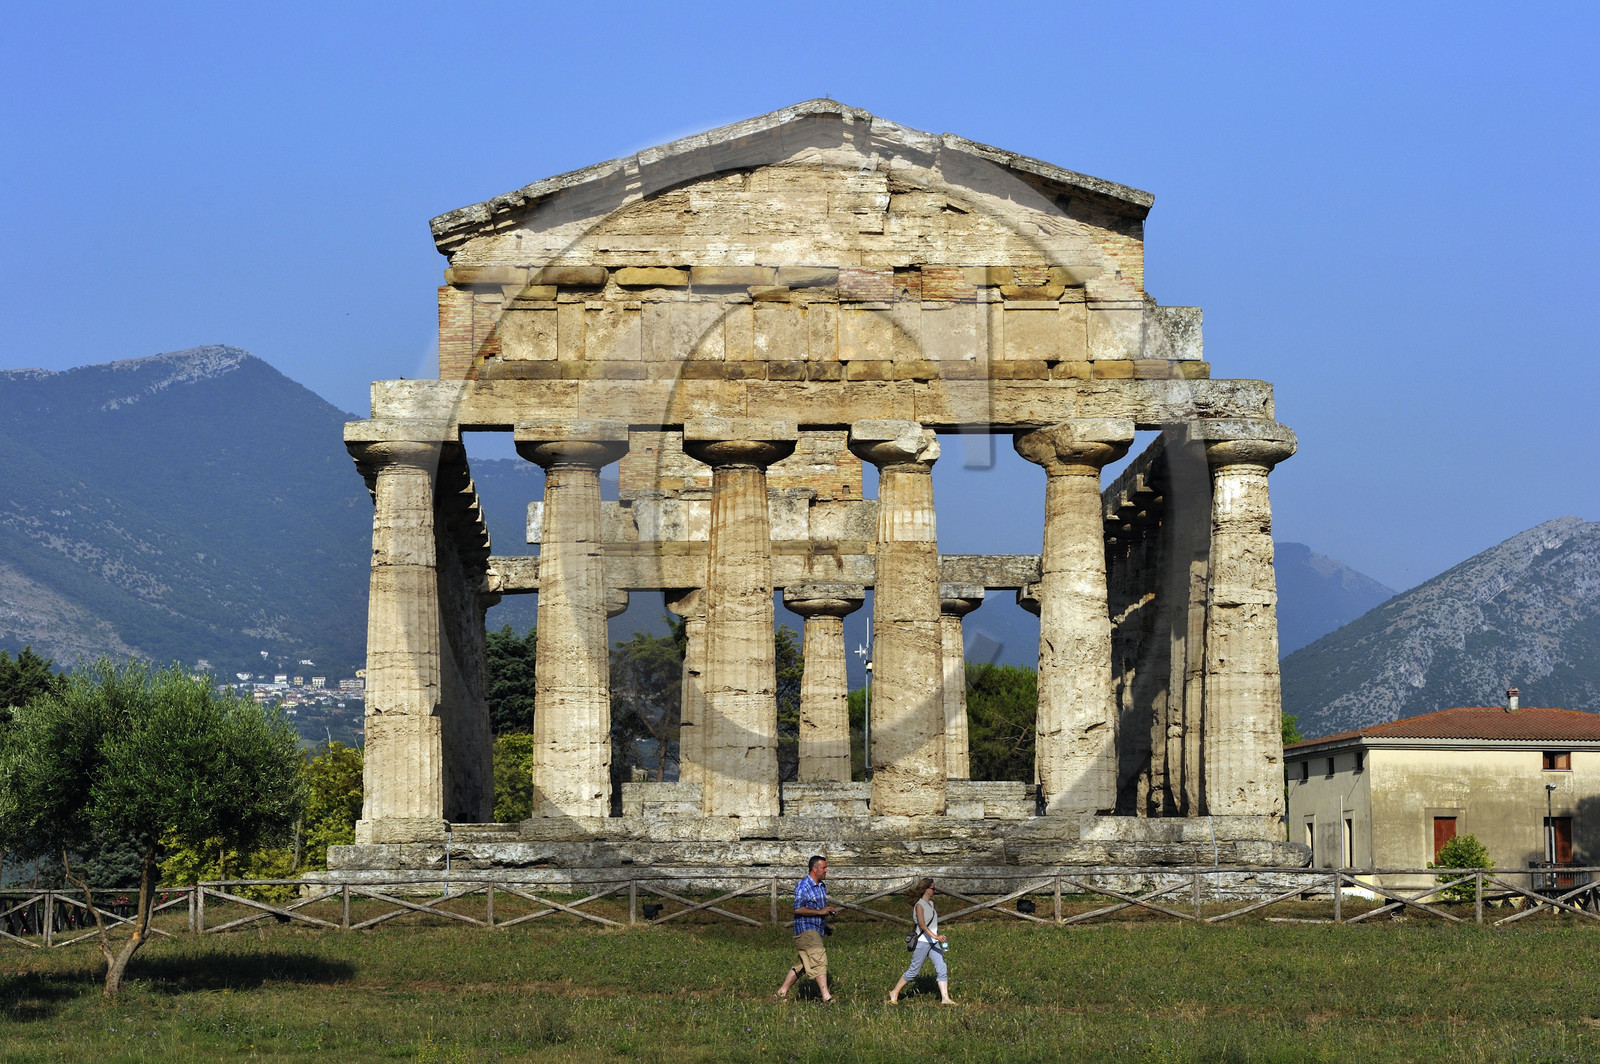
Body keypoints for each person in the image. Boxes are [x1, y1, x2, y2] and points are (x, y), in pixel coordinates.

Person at [774, 854, 839, 1003]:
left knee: (803, 965)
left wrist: (827, 913)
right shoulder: (803, 886)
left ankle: (781, 992)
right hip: (805, 930)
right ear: (814, 869)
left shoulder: (822, 886)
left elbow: (819, 908)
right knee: (819, 957)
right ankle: (826, 996)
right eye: (824, 868)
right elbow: (797, 909)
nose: (826, 870)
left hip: (817, 929)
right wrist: (819, 912)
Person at [888, 877, 953, 1005]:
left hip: (933, 942)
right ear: (925, 889)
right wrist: (935, 936)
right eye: (933, 888)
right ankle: (894, 992)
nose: (934, 891)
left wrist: (937, 937)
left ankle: (945, 998)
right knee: (914, 970)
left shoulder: (931, 904)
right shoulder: (919, 905)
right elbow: (922, 925)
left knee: (942, 967)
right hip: (923, 942)